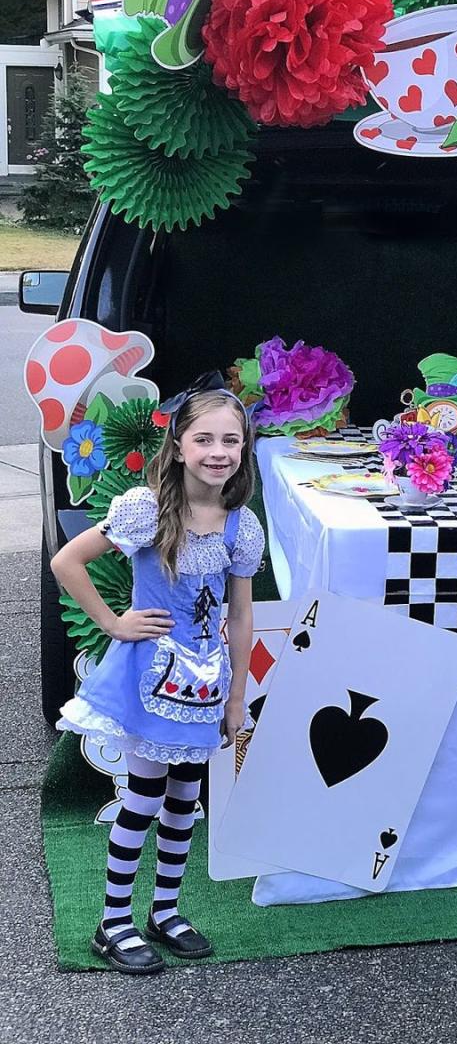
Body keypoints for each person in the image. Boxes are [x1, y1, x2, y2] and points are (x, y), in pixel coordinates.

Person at [52, 377, 264, 973]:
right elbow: (66, 561)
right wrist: (114, 623)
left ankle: (164, 910)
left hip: (205, 681)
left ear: (244, 448)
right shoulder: (145, 510)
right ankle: (112, 921)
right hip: (150, 676)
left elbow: (240, 615)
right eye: (204, 439)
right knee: (143, 797)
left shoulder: (240, 523)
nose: (218, 452)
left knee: (185, 799)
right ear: (177, 445)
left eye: (232, 440)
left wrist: (236, 698)